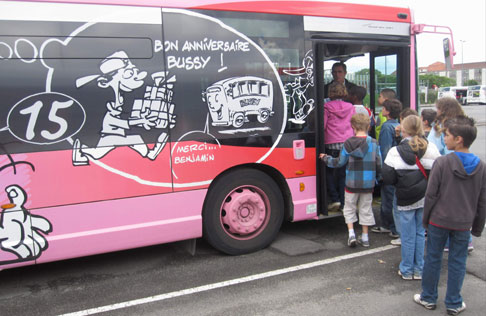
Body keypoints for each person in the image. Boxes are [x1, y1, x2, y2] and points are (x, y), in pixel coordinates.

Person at [414, 115, 486, 315]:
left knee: (433, 258)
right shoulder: (480, 166)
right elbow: (482, 199)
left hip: (439, 220)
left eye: (447, 135)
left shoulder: (443, 163)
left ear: (459, 139)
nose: (444, 138)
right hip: (463, 223)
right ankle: (454, 302)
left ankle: (428, 297)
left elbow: (431, 195)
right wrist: (478, 226)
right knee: (458, 261)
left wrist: (426, 220)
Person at [383, 115, 440, 280]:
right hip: (425, 196)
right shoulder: (431, 148)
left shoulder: (395, 152)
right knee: (420, 233)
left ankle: (407, 269)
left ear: (404, 129)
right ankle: (419, 269)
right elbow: (438, 171)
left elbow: (387, 177)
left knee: (408, 234)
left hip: (405, 197)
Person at [320, 113, 382, 247]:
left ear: (353, 126)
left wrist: (326, 158)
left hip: (351, 183)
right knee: (365, 209)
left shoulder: (348, 143)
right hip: (368, 183)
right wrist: (378, 178)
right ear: (368, 127)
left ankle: (351, 234)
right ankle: (365, 237)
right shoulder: (374, 143)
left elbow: (339, 162)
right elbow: (379, 163)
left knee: (349, 208)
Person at [426, 98, 473, 252]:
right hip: (463, 166)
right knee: (462, 202)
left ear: (443, 109)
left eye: (438, 108)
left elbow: (436, 146)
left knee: (444, 203)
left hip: (444, 167)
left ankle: (446, 241)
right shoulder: (463, 123)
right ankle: (467, 240)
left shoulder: (441, 127)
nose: (436, 111)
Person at [323, 82, 356, 211]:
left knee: (329, 172)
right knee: (343, 174)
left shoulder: (326, 107)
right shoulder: (350, 107)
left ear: (330, 93)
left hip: (331, 143)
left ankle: (334, 198)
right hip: (347, 143)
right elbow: (354, 124)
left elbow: (323, 125)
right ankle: (344, 202)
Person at [371, 99, 402, 237]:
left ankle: (389, 226)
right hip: (398, 166)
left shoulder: (386, 127)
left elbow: (385, 150)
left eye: (383, 108)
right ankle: (392, 225)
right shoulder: (399, 125)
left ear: (387, 111)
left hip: (389, 167)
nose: (381, 110)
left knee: (387, 197)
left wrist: (382, 170)